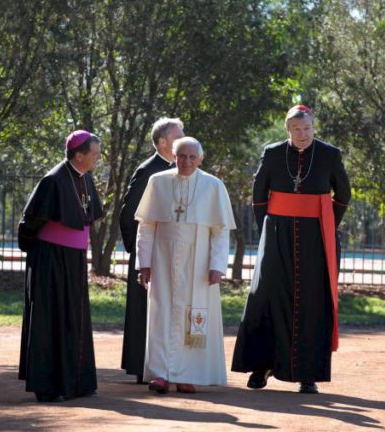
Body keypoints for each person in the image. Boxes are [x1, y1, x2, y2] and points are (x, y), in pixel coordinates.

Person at [231, 105, 351, 394]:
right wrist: (268, 228)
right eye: (296, 129)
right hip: (276, 235)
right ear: (288, 130)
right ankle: (261, 367)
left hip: (316, 239)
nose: (302, 134)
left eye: (307, 128)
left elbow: (343, 195)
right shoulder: (273, 153)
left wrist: (325, 223)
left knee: (312, 301)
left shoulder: (330, 154)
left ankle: (308, 375)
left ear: (314, 128)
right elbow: (259, 195)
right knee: (266, 297)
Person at [134, 136, 236, 394]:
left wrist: (217, 265)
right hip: (163, 259)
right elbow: (147, 226)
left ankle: (187, 374)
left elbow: (220, 231)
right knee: (162, 314)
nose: (186, 161)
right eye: (181, 156)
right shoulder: (158, 182)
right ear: (173, 157)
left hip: (198, 261)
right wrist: (144, 263)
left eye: (192, 157)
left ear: (200, 159)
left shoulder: (213, 185)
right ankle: (160, 373)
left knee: (193, 315)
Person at [17, 130, 103, 402]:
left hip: (74, 259)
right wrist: (39, 253)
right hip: (51, 260)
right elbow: (30, 223)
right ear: (78, 155)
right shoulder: (53, 180)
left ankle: (77, 381)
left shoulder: (85, 177)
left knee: (74, 317)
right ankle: (48, 386)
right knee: (50, 318)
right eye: (94, 154)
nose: (98, 158)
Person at [119, 117, 185, 383]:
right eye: (177, 137)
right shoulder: (148, 171)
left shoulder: (180, 169)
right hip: (149, 253)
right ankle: (142, 367)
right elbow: (129, 215)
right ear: (162, 142)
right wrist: (138, 254)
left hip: (171, 252)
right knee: (145, 311)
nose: (182, 141)